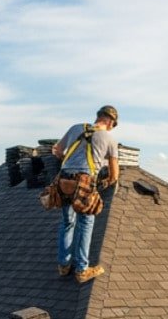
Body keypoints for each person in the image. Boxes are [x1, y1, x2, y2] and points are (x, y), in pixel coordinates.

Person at [51, 105, 120, 283]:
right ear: (110, 122)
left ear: (98, 117)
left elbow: (57, 150)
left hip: (64, 180)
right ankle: (82, 269)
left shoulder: (76, 128)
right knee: (86, 223)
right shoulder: (109, 139)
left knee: (67, 222)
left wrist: (70, 160)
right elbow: (114, 175)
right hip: (85, 182)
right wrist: (105, 182)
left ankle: (63, 265)